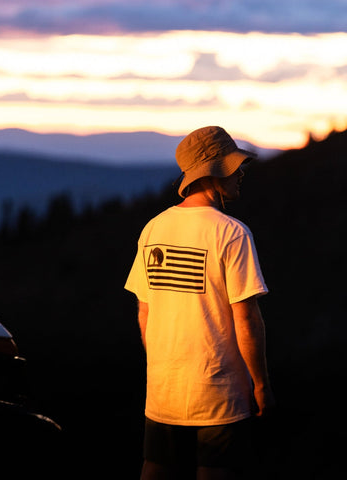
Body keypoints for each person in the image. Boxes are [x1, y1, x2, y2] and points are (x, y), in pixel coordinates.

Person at [124, 126, 275, 479]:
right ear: (212, 173)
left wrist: (162, 366)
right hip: (220, 391)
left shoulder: (153, 229)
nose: (240, 173)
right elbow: (247, 319)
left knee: (156, 469)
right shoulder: (232, 233)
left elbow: (145, 311)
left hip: (163, 388)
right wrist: (261, 384)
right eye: (234, 167)